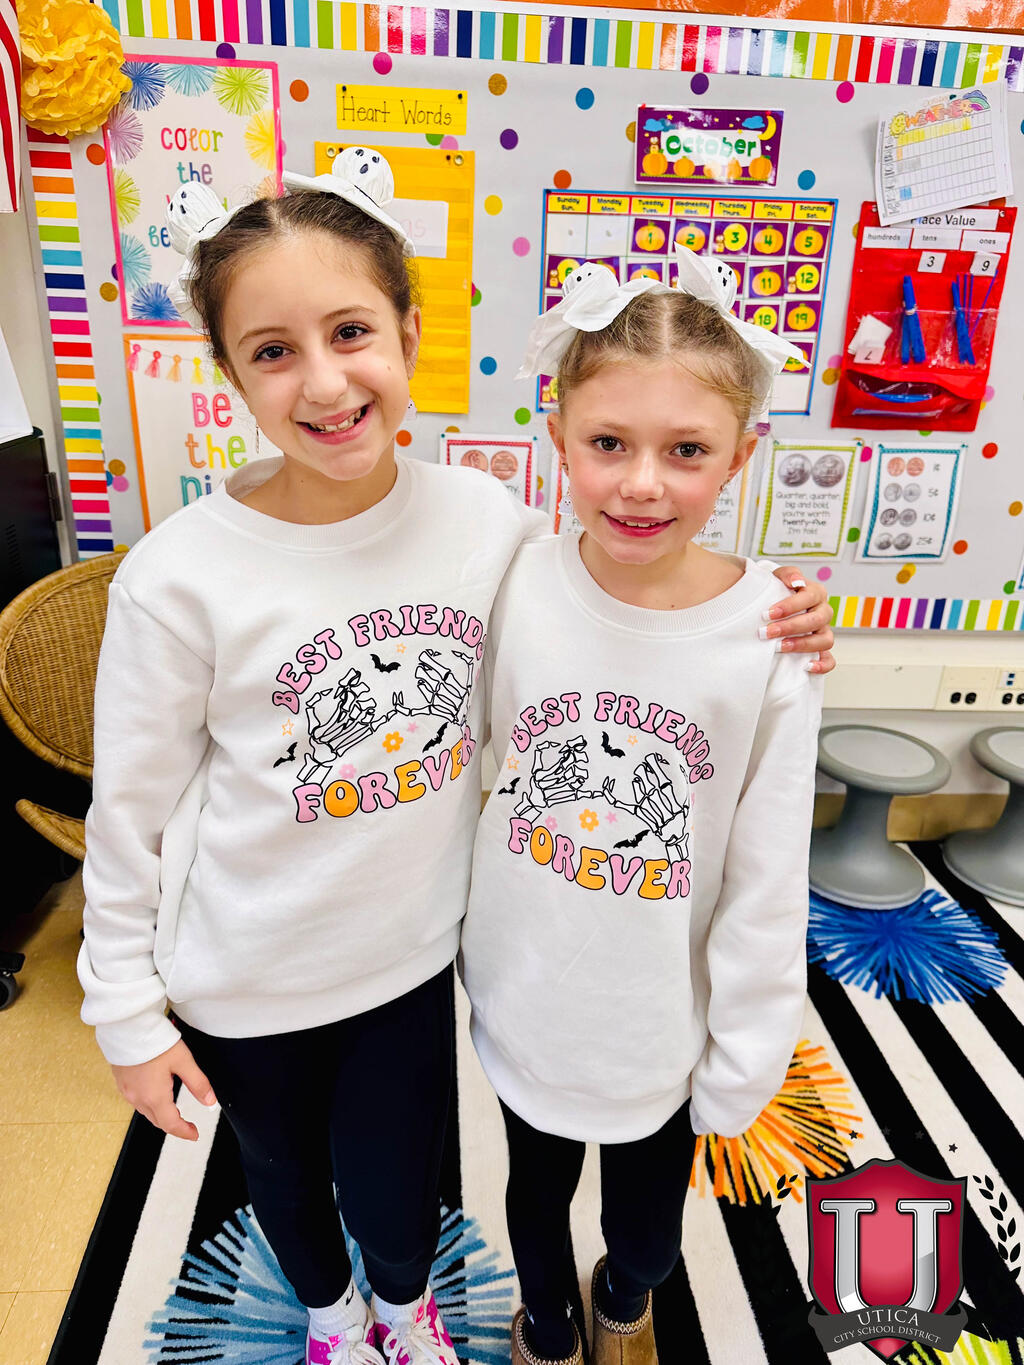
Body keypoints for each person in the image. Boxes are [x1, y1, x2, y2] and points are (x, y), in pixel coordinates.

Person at [78, 152, 833, 1365]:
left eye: (350, 331)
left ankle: (402, 1310)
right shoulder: (177, 577)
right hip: (244, 975)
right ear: (229, 372)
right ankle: (329, 1320)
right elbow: (129, 813)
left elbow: (625, 589)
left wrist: (784, 610)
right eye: (272, 350)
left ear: (410, 336)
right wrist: (124, 1009)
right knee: (283, 1181)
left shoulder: (489, 526)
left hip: (410, 966)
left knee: (401, 1190)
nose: (326, 381)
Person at [460, 252, 826, 1365]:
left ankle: (623, 1298)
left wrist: (746, 1049)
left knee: (647, 1233)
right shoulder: (513, 579)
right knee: (533, 1194)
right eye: (609, 443)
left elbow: (769, 870)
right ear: (558, 437)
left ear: (740, 455)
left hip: (662, 1021)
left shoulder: (770, 635)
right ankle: (547, 1318)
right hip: (528, 993)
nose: (641, 485)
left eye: (687, 451)